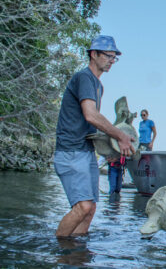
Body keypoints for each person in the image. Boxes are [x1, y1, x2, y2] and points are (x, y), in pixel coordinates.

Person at [54, 35, 136, 238]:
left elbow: (90, 125)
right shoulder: (84, 78)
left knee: (90, 208)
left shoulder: (98, 85)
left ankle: (76, 255)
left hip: (86, 151)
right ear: (93, 54)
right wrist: (120, 136)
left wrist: (108, 150)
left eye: (114, 57)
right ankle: (58, 250)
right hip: (71, 151)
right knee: (82, 206)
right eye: (108, 55)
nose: (111, 60)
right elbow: (90, 115)